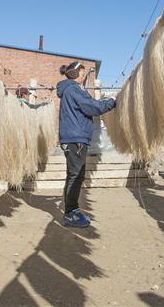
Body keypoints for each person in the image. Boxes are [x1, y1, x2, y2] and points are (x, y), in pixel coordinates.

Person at [55, 61, 116, 228]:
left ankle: (72, 211)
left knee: (74, 175)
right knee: (76, 176)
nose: (83, 77)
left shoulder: (70, 89)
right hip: (76, 138)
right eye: (82, 74)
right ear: (77, 74)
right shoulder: (74, 89)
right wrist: (112, 102)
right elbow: (92, 107)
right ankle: (70, 214)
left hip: (74, 138)